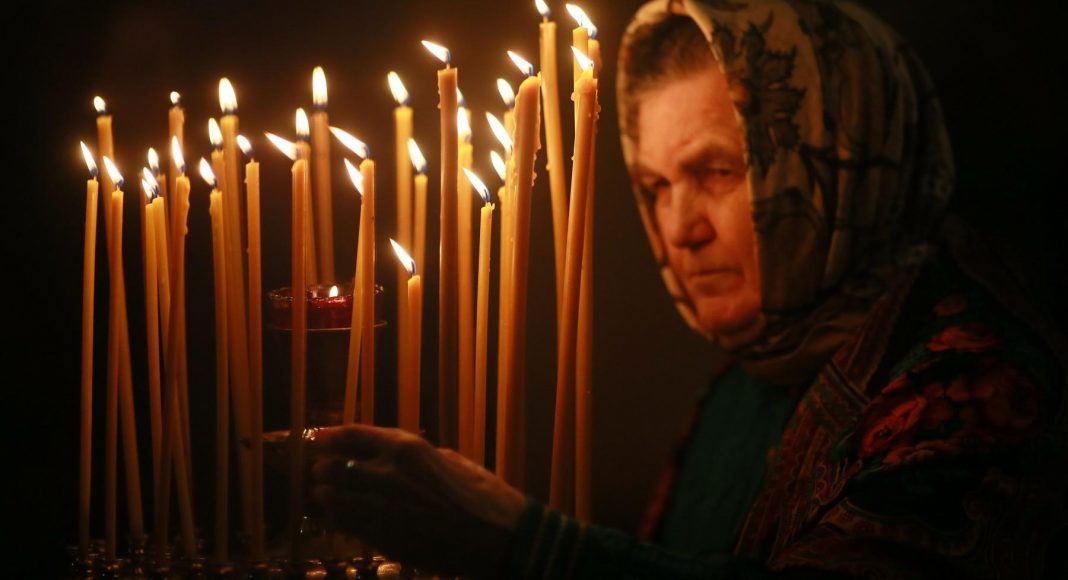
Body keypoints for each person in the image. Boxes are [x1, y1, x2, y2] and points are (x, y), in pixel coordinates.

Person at [310, 0, 1068, 577]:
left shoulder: (985, 391)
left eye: (717, 171)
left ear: (841, 157)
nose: (678, 229)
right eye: (656, 186)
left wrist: (526, 543)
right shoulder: (742, 381)